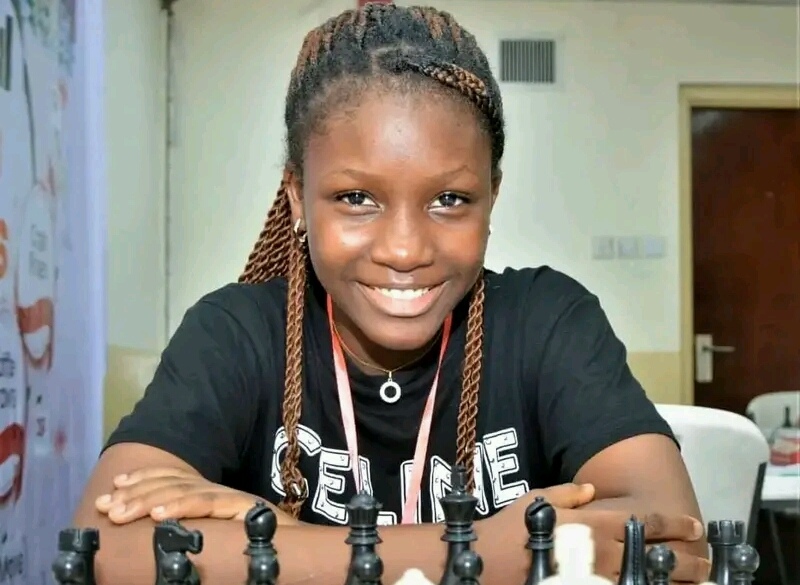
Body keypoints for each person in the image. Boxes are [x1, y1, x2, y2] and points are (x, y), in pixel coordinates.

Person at [73, 4, 710, 585]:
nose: (404, 251)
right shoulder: (236, 332)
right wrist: (482, 550)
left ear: (492, 196)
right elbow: (107, 547)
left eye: (450, 199)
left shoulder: (547, 322)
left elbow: (672, 540)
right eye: (356, 198)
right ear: (297, 197)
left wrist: (277, 534)